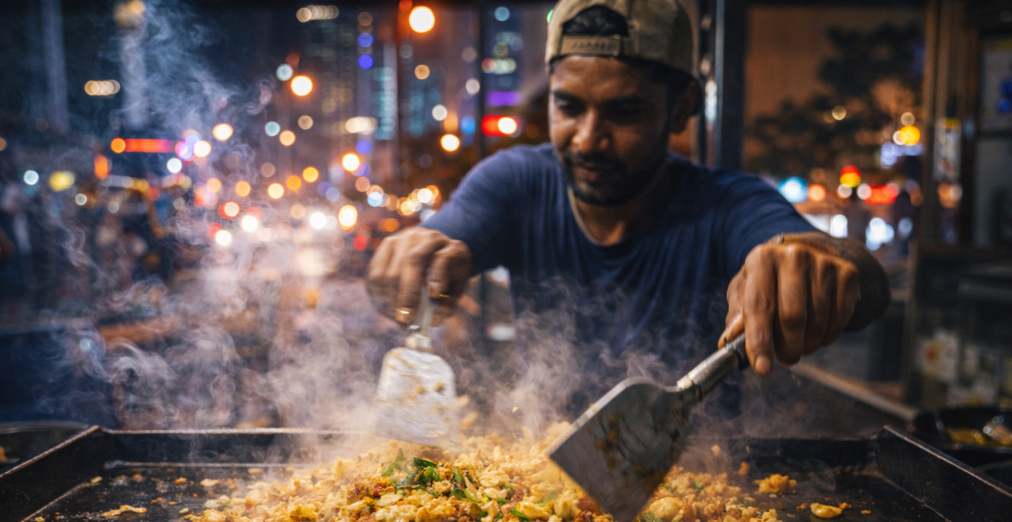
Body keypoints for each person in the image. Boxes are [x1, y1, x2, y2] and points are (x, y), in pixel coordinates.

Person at [367, 0, 890, 406]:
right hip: (538, 489)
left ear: (680, 107)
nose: (588, 139)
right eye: (568, 106)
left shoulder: (727, 203)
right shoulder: (516, 181)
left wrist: (820, 264)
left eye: (624, 112)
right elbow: (444, 240)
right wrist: (414, 257)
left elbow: (859, 278)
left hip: (704, 488)